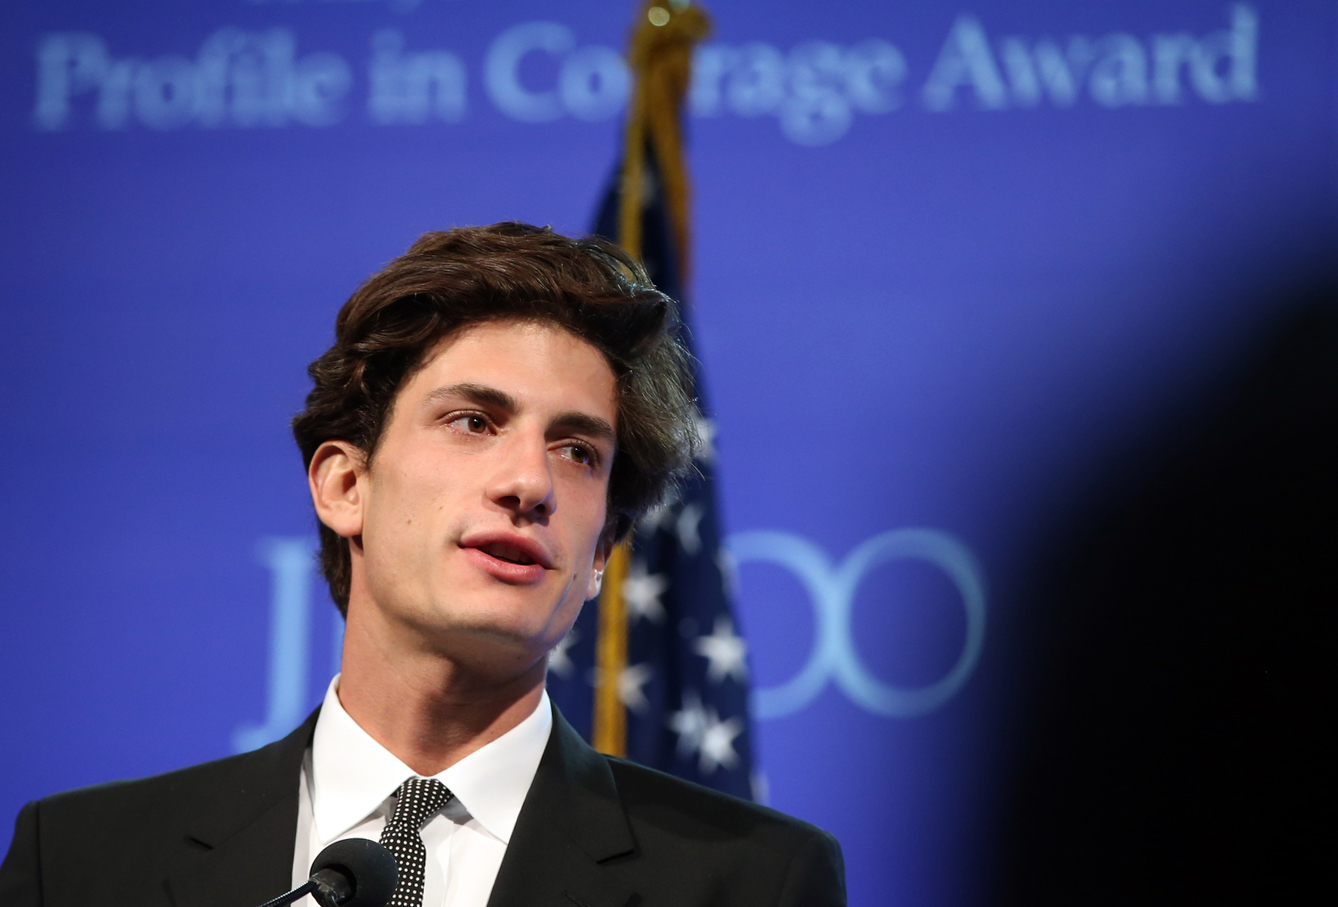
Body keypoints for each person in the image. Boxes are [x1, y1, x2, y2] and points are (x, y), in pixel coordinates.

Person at [0, 223, 846, 907]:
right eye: (475, 421)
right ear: (344, 484)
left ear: (600, 556)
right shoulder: (81, 861)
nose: (529, 482)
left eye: (578, 449)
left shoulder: (752, 881)